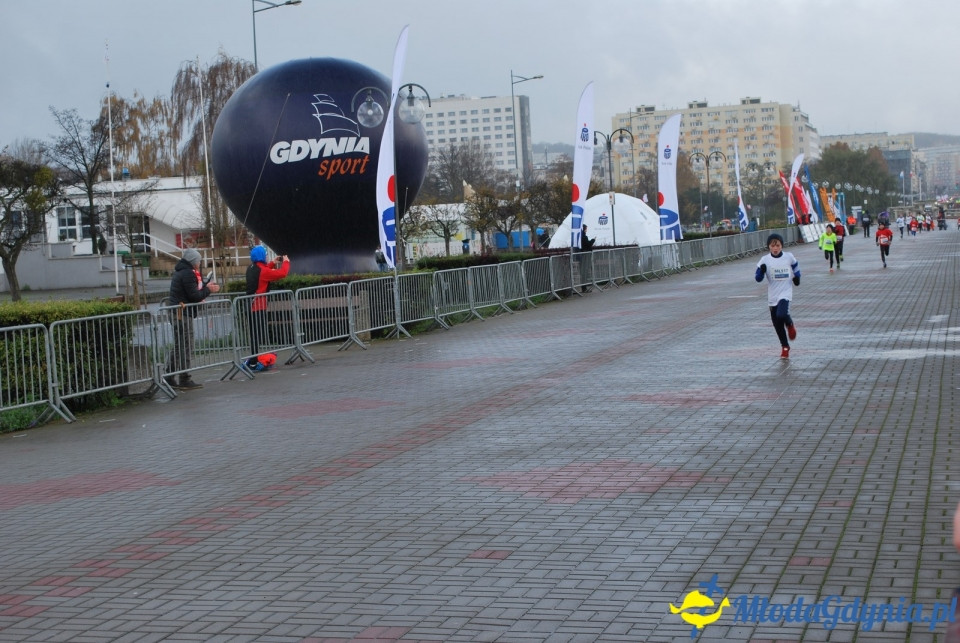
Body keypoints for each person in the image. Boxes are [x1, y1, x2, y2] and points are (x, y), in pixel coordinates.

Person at [166, 248, 220, 390]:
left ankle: (169, 375)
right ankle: (184, 378)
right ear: (193, 261)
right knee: (186, 345)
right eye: (199, 261)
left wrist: (205, 286)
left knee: (179, 345)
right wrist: (209, 290)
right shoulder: (188, 273)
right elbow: (194, 296)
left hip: (177, 311)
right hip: (182, 313)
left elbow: (192, 291)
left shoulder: (181, 271)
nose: (200, 263)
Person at [755, 233, 800, 360]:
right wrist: (762, 271)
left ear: (781, 246)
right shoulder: (765, 260)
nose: (775, 248)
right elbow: (757, 278)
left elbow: (796, 267)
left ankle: (790, 324)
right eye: (772, 246)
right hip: (773, 295)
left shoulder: (788, 257)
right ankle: (785, 347)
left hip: (785, 292)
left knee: (782, 314)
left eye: (778, 246)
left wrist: (797, 278)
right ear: (769, 246)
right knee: (777, 324)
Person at [245, 246, 290, 370]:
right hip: (258, 306)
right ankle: (253, 362)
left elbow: (263, 272)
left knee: (254, 334)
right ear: (261, 256)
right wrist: (286, 262)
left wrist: (272, 263)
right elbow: (282, 273)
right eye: (265, 255)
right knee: (257, 335)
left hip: (250, 304)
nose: (266, 256)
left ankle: (253, 360)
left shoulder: (251, 268)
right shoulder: (263, 271)